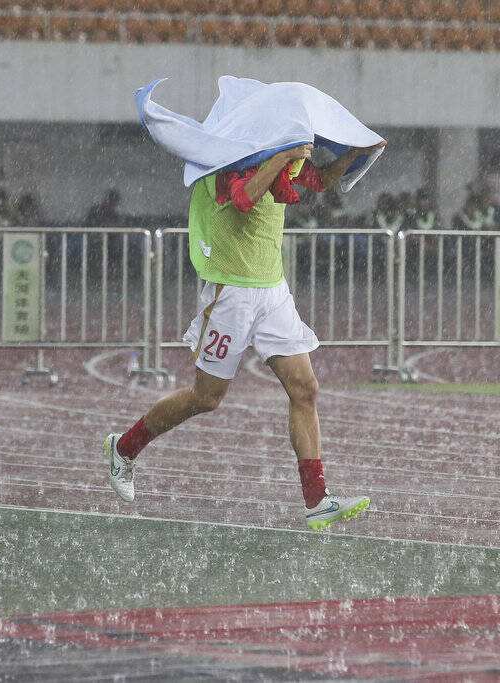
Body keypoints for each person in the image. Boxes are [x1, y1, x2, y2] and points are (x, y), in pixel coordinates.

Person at [103, 139, 387, 531]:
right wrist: (282, 158)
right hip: (229, 292)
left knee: (304, 388)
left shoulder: (281, 160)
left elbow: (319, 180)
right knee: (206, 398)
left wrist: (355, 154)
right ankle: (124, 447)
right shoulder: (222, 164)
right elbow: (243, 198)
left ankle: (317, 500)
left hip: (273, 291)